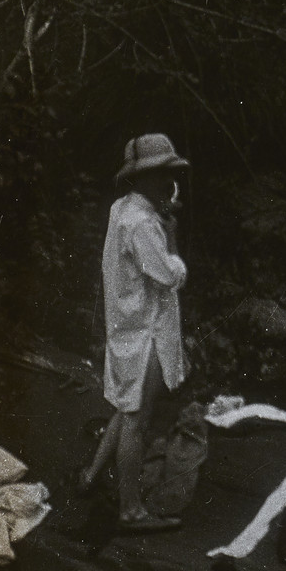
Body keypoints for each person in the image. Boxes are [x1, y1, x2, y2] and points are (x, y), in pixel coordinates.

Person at [85, 133, 192, 531]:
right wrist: (172, 235)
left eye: (169, 172)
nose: (167, 180)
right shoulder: (145, 224)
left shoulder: (122, 210)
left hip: (125, 323)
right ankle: (130, 511)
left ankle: (92, 475)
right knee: (137, 420)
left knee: (125, 405)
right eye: (160, 173)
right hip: (144, 331)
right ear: (142, 177)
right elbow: (168, 275)